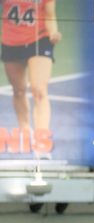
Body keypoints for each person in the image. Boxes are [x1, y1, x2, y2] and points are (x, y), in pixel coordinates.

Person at [1, 0, 62, 137]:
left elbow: (50, 14)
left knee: (39, 90)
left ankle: (41, 139)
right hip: (11, 41)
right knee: (18, 91)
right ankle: (25, 132)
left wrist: (53, 32)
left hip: (40, 38)